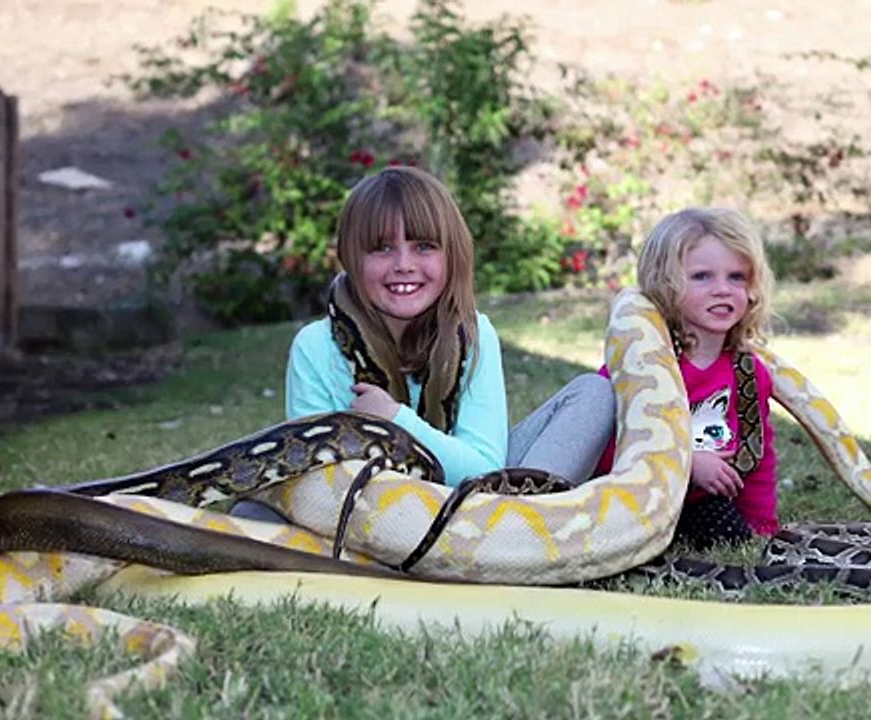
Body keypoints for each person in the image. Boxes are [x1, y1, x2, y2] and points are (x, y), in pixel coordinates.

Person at [233, 167, 612, 526]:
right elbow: (314, 485)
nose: (403, 264)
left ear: (452, 254)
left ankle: (516, 533)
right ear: (351, 257)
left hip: (480, 505)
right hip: (368, 517)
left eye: (424, 246)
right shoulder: (315, 346)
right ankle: (506, 544)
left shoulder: (474, 333)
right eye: (382, 248)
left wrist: (394, 421)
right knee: (252, 514)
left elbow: (485, 470)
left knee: (593, 394)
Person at [592, 207, 779, 549]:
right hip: (629, 498)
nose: (722, 289)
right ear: (666, 285)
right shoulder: (639, 366)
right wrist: (687, 461)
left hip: (697, 505)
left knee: (728, 534)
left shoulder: (749, 374)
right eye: (702, 276)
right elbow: (601, 448)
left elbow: (759, 458)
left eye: (736, 277)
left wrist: (763, 528)